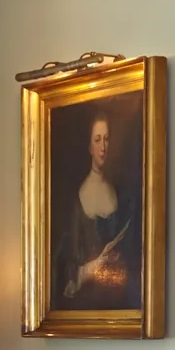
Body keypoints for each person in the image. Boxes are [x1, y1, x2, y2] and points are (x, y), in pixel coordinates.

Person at [59, 113, 133, 304]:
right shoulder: (78, 199)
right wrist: (97, 264)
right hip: (88, 302)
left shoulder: (117, 191)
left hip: (119, 301)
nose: (103, 147)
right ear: (90, 147)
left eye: (107, 139)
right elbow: (69, 278)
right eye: (97, 140)